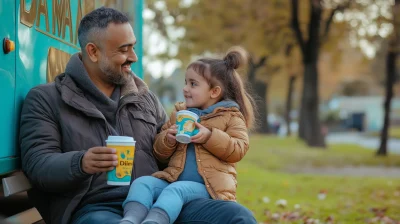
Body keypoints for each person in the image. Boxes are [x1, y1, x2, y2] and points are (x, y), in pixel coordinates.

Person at [19, 7, 256, 224]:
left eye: (133, 46)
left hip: (161, 201)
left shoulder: (145, 99)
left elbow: (171, 158)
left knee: (237, 217)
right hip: (98, 207)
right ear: (93, 52)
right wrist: (81, 163)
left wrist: (181, 139)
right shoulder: (47, 99)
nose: (134, 57)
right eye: (124, 50)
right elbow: (38, 164)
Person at [120, 47, 256, 224]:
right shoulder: (179, 114)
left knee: (176, 190)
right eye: (186, 82)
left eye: (193, 84)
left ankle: (154, 221)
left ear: (214, 92)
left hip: (208, 187)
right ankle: (130, 219)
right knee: (142, 183)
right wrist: (168, 139)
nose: (185, 89)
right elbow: (159, 153)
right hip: (173, 180)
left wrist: (209, 137)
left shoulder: (230, 116)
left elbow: (238, 149)